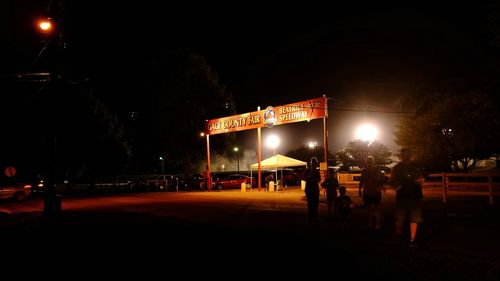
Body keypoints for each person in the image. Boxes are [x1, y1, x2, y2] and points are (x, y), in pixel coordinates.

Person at [390, 148, 425, 247]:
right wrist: (398, 188)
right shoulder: (396, 168)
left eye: (407, 154)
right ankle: (398, 238)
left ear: (410, 155)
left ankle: (412, 239)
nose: (406, 157)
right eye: (404, 155)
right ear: (401, 156)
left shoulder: (416, 166)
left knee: (414, 219)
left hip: (415, 196)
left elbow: (422, 178)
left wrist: (419, 180)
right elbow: (392, 181)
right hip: (402, 197)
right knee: (400, 218)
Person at [358, 156, 385, 231]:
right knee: (371, 209)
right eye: (368, 162)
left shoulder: (377, 170)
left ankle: (375, 223)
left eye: (370, 162)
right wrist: (359, 190)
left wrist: (381, 187)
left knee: (375, 209)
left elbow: (382, 180)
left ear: (373, 162)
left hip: (374, 192)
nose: (369, 163)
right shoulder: (365, 171)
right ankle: (373, 223)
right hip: (368, 192)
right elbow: (361, 181)